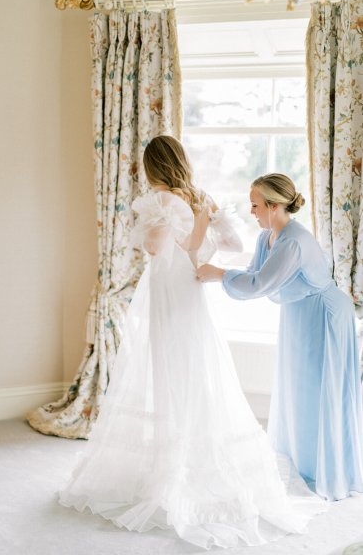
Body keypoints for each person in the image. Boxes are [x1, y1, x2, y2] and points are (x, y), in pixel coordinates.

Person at [59, 139, 325, 549]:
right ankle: (185, 457)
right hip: (190, 287)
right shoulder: (200, 196)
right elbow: (231, 245)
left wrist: (190, 223)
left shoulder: (163, 199)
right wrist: (205, 219)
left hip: (170, 290)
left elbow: (154, 247)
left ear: (153, 168)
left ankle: (175, 467)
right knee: (194, 367)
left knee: (168, 368)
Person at [197, 173, 363, 501]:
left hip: (325, 315)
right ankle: (303, 464)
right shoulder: (267, 237)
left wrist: (217, 275)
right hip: (298, 314)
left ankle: (330, 471)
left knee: (322, 391)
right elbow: (256, 275)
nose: (251, 211)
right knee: (297, 390)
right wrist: (222, 273)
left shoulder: (294, 242)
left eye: (256, 205)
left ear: (274, 206)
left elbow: (260, 286)